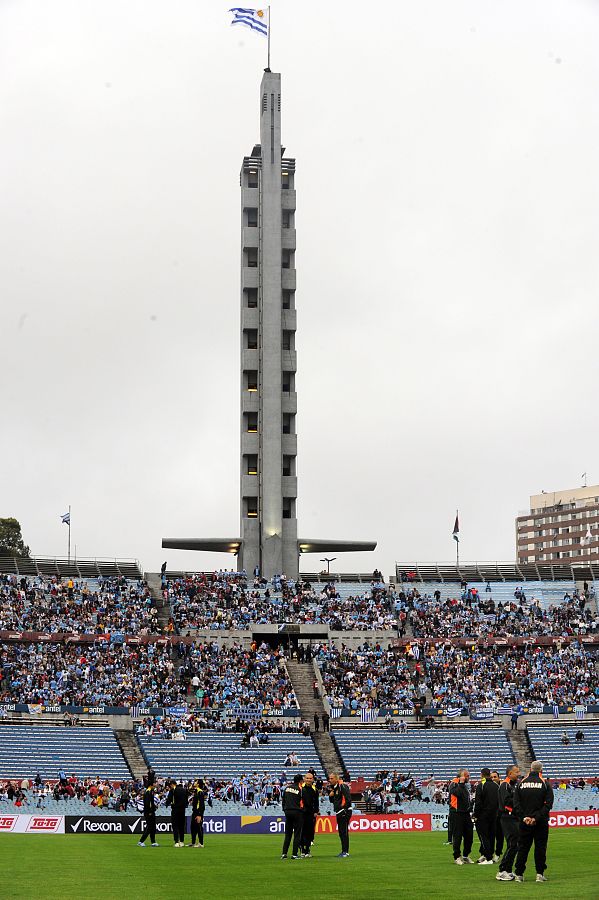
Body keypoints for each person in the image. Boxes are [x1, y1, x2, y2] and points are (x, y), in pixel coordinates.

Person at [513, 761, 554, 883]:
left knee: (523, 848)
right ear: (541, 770)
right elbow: (548, 804)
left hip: (524, 822)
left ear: (530, 769)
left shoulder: (521, 783)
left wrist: (525, 817)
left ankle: (519, 874)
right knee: (540, 847)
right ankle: (539, 874)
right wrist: (536, 818)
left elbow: (516, 803)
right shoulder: (545, 784)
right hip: (540, 822)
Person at [495, 765, 520, 881]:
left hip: (512, 817)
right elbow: (506, 802)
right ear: (510, 774)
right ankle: (502, 870)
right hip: (507, 817)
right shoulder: (505, 785)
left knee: (515, 844)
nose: (518, 774)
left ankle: (508, 870)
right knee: (513, 843)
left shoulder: (513, 785)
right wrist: (518, 806)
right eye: (516, 772)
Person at [473, 767, 499, 864]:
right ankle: (490, 856)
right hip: (494, 815)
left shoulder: (481, 786)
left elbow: (478, 802)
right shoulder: (496, 786)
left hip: (483, 815)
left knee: (484, 836)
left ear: (482, 775)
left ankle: (487, 858)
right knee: (492, 836)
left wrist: (475, 814)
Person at [449, 769, 474, 865]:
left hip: (465, 813)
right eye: (467, 776)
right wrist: (461, 783)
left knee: (469, 836)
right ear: (461, 776)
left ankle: (466, 855)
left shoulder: (464, 786)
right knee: (457, 836)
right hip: (456, 813)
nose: (468, 777)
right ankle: (457, 856)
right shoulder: (454, 784)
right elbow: (457, 793)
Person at [328, 773, 352, 858]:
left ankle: (345, 851)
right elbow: (333, 801)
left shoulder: (342, 786)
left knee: (344, 832)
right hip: (339, 811)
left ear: (336, 779)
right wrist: (330, 796)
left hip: (344, 812)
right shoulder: (335, 788)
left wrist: (343, 809)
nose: (329, 780)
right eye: (329, 778)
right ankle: (343, 851)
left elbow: (348, 799)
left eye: (331, 778)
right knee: (341, 832)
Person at [281, 773, 304, 860]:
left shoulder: (287, 788)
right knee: (297, 834)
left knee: (288, 834)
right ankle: (294, 854)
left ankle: (284, 854)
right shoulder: (300, 789)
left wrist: (285, 810)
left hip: (288, 811)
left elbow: (283, 800)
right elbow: (303, 802)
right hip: (297, 812)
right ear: (301, 781)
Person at [300, 771, 320, 857]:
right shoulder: (300, 788)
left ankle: (307, 850)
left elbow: (316, 802)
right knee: (301, 832)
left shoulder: (314, 789)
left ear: (313, 779)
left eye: (310, 778)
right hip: (301, 813)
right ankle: (302, 850)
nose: (308, 780)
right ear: (304, 779)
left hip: (311, 813)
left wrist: (316, 811)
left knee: (310, 832)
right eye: (307, 778)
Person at [165, 779, 188, 847]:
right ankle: (182, 841)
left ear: (172, 784)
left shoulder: (172, 790)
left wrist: (167, 804)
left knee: (175, 826)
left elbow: (169, 799)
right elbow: (186, 800)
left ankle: (176, 842)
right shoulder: (184, 790)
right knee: (181, 826)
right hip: (182, 810)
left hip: (175, 810)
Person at [137, 781, 159, 847]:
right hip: (149, 812)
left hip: (151, 811)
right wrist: (150, 811)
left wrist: (154, 806)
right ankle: (141, 841)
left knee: (153, 827)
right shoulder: (148, 792)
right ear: (151, 785)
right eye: (154, 783)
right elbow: (147, 803)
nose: (155, 784)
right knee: (149, 827)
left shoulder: (150, 792)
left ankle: (153, 841)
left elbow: (150, 803)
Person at [490, 771, 504, 861]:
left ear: (499, 777)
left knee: (500, 836)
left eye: (495, 777)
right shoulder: (489, 788)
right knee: (490, 835)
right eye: (491, 777)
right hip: (491, 815)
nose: (493, 779)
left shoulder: (503, 787)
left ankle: (498, 853)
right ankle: (488, 853)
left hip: (501, 815)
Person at [189, 778, 206, 847]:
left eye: (196, 781)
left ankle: (201, 843)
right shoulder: (196, 791)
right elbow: (189, 789)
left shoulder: (200, 792)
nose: (194, 782)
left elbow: (202, 804)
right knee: (193, 827)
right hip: (194, 812)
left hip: (198, 813)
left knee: (199, 828)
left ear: (198, 784)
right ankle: (193, 842)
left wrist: (200, 815)